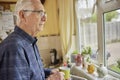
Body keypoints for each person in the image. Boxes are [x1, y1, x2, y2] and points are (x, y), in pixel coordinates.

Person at [0, 0, 64, 80]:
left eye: (44, 13)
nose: (44, 18)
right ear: (22, 15)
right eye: (40, 13)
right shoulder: (14, 47)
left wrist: (49, 72)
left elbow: (31, 73)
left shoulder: (30, 42)